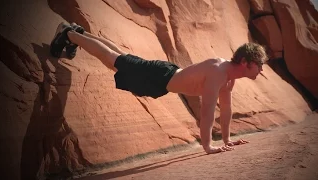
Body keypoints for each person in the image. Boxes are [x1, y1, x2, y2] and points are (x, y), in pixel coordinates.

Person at [50, 22, 268, 154]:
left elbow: (226, 110)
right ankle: (69, 34)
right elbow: (208, 111)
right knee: (112, 59)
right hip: (158, 76)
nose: (260, 70)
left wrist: (228, 140)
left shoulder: (229, 78)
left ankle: (79, 33)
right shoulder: (219, 72)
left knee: (118, 58)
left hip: (162, 78)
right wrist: (208, 146)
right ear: (245, 63)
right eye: (259, 66)